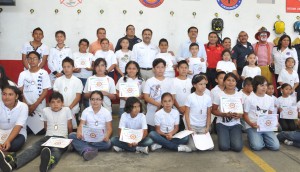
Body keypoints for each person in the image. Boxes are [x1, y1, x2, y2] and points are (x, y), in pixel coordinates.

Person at [0, 92, 72, 172]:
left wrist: (69, 140)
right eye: (53, 102)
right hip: (48, 137)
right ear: (49, 104)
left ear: (62, 103)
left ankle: (48, 163)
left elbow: (69, 126)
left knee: (56, 150)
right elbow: (46, 126)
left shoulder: (66, 110)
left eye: (58, 102)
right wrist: (48, 135)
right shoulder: (46, 110)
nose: (55, 104)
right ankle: (12, 164)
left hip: (62, 138)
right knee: (33, 148)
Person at [68, 91, 112, 161]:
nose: (95, 101)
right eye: (93, 99)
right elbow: (81, 125)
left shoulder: (106, 112)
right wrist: (79, 132)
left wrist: (107, 136)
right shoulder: (86, 111)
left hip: (100, 139)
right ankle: (87, 149)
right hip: (87, 137)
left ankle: (82, 147)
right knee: (71, 135)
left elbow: (109, 128)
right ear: (90, 100)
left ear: (102, 100)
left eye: (98, 99)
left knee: (108, 144)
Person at [18, 51, 51, 135]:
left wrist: (35, 105)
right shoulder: (23, 74)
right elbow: (20, 91)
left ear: (39, 60)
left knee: (40, 131)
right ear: (27, 60)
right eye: (30, 58)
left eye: (35, 58)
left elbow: (45, 91)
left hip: (39, 105)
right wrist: (27, 105)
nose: (32, 60)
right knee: (26, 129)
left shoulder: (44, 73)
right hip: (26, 106)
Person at [243, 75, 280, 151]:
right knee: (257, 147)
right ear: (255, 86)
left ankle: (261, 138)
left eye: (266, 85)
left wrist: (274, 122)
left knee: (275, 146)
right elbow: (245, 114)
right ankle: (253, 137)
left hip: (265, 126)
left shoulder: (270, 99)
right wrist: (251, 124)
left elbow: (270, 113)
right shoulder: (249, 99)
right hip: (253, 126)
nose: (264, 87)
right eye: (262, 85)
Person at [212, 73, 243, 152]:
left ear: (236, 83)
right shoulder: (219, 95)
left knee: (237, 148)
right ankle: (226, 137)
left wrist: (239, 115)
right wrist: (224, 114)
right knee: (224, 147)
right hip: (222, 124)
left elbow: (242, 112)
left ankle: (231, 138)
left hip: (235, 124)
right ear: (224, 82)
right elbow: (213, 110)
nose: (231, 82)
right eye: (228, 80)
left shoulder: (240, 95)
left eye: (233, 80)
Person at [143, 58, 175, 132]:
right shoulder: (149, 81)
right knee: (152, 134)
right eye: (157, 67)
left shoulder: (170, 81)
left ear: (165, 68)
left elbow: (173, 96)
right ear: (153, 69)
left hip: (167, 111)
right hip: (152, 112)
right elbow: (146, 97)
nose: (160, 69)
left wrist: (163, 106)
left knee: (165, 133)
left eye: (162, 67)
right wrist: (159, 105)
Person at [53, 57, 83, 129]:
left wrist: (69, 107)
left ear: (73, 68)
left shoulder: (78, 81)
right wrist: (62, 107)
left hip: (73, 109)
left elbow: (78, 97)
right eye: (64, 67)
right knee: (61, 129)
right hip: (60, 108)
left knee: (73, 131)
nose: (66, 69)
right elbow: (56, 96)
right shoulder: (58, 80)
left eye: (68, 67)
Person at [185, 74, 212, 151]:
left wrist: (207, 127)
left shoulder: (208, 98)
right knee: (193, 148)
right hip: (192, 126)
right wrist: (189, 127)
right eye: (200, 84)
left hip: (203, 127)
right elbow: (186, 114)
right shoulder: (190, 97)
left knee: (210, 147)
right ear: (194, 85)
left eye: (204, 84)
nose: (203, 86)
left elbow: (208, 114)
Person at [0, 86, 28, 153]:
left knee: (13, 146)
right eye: (4, 94)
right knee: (4, 146)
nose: (7, 97)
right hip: (1, 131)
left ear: (16, 96)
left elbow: (18, 126)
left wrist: (8, 141)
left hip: (18, 132)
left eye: (10, 94)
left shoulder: (23, 106)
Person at [72, 38, 94, 108]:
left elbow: (94, 67)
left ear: (87, 47)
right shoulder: (74, 54)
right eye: (82, 44)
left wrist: (90, 69)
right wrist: (74, 70)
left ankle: (87, 111)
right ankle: (77, 113)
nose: (83, 46)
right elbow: (70, 66)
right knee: (76, 96)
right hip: (76, 77)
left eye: (85, 45)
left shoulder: (90, 55)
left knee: (86, 96)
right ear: (79, 45)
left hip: (87, 78)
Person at [173, 60, 193, 131]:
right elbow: (172, 98)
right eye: (181, 67)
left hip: (189, 112)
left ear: (188, 69)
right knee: (178, 132)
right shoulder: (173, 81)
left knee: (187, 132)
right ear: (177, 69)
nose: (184, 69)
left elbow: (193, 97)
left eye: (186, 68)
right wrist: (179, 108)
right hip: (176, 111)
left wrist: (187, 109)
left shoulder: (191, 81)